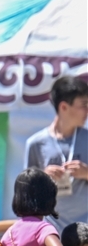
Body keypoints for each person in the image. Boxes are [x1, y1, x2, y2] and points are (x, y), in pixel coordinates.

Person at [24, 76, 88, 230]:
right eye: (84, 105)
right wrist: (43, 178)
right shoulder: (36, 143)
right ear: (64, 107)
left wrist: (86, 173)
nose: (87, 110)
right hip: (51, 230)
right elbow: (26, 192)